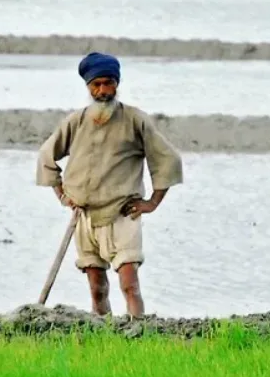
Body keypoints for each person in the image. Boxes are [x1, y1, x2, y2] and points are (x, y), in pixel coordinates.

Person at [36, 52, 183, 317]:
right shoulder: (75, 121)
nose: (103, 90)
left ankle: (138, 333)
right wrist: (62, 195)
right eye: (97, 84)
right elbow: (47, 157)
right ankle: (103, 336)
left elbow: (167, 159)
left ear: (117, 84)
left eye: (108, 83)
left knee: (129, 284)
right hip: (84, 216)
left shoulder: (135, 119)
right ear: (88, 87)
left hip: (122, 214)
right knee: (97, 288)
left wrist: (152, 202)